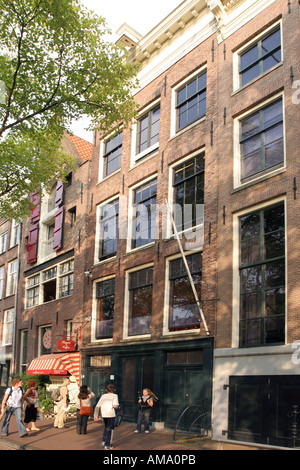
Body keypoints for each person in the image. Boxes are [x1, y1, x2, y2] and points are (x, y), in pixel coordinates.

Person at [94, 384, 119, 450]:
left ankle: (104, 441)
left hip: (104, 414)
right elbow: (115, 405)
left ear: (106, 390)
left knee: (106, 427)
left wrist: (95, 415)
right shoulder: (115, 396)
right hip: (111, 414)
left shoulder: (103, 396)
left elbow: (97, 406)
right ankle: (107, 444)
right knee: (110, 429)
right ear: (114, 390)